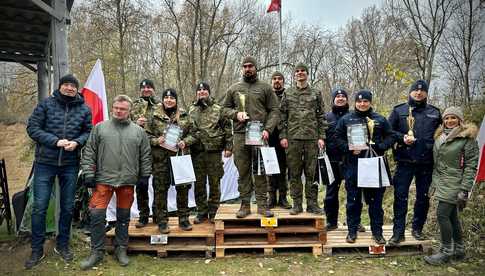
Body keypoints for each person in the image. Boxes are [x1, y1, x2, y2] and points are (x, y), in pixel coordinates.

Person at [25, 74, 92, 269]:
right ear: (60, 86)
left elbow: (88, 131)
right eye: (67, 85)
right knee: (40, 206)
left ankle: (62, 244)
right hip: (45, 163)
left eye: (73, 86)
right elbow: (32, 128)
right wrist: (55, 141)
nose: (70, 88)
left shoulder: (84, 109)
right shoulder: (46, 105)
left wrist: (77, 142)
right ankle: (36, 249)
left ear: (76, 89)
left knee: (68, 207)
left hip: (70, 165)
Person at [79, 95, 151, 269]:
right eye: (116, 108)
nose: (119, 111)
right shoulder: (100, 128)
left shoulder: (138, 131)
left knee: (124, 217)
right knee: (96, 215)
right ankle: (96, 252)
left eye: (123, 109)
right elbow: (89, 152)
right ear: (112, 108)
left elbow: (145, 156)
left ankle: (121, 249)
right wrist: (88, 173)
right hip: (104, 179)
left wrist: (144, 176)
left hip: (127, 181)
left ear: (129, 111)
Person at [223, 56, 280, 218]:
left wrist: (268, 129)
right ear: (242, 68)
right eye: (245, 66)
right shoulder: (234, 88)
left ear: (256, 68)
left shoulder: (265, 88)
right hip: (240, 135)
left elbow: (275, 111)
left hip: (259, 135)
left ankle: (262, 205)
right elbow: (224, 110)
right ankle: (245, 204)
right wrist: (236, 114)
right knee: (243, 171)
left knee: (260, 170)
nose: (248, 69)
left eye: (251, 66)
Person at [335, 90, 394, 244]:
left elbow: (391, 135)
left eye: (365, 101)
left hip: (374, 164)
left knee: (375, 201)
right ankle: (352, 231)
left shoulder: (379, 119)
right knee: (353, 200)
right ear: (355, 102)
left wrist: (381, 146)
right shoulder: (346, 119)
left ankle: (377, 233)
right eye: (359, 101)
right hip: (353, 165)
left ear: (370, 102)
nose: (362, 104)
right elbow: (337, 138)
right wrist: (348, 148)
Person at [388, 80, 442, 245]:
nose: (419, 93)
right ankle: (398, 233)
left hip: (426, 163)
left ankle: (417, 229)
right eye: (415, 91)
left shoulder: (435, 112)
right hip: (404, 161)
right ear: (410, 92)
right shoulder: (399, 111)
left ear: (426, 93)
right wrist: (402, 139)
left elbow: (442, 135)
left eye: (422, 91)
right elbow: (389, 132)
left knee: (423, 198)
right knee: (400, 197)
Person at [424, 107, 478, 265]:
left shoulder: (467, 139)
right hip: (441, 181)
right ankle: (459, 250)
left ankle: (446, 251)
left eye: (453, 118)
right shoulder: (440, 136)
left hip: (455, 182)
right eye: (446, 118)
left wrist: (464, 189)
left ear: (460, 120)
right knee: (452, 216)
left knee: (442, 214)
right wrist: (434, 183)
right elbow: (438, 163)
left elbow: (470, 166)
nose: (449, 121)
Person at [146, 88, 197, 233]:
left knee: (183, 189)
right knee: (160, 191)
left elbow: (195, 133)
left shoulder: (185, 115)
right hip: (160, 160)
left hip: (180, 158)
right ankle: (162, 221)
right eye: (166, 98)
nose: (169, 100)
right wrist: (157, 140)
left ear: (176, 100)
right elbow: (145, 135)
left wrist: (185, 142)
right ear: (162, 100)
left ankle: (184, 219)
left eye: (172, 98)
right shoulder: (154, 116)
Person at [279, 63, 327, 215]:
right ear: (294, 75)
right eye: (297, 71)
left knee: (311, 173)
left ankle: (312, 203)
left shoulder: (316, 93)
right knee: (294, 173)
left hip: (311, 139)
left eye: (303, 71)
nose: (300, 73)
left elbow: (321, 116)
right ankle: (297, 203)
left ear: (307, 73)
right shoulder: (288, 93)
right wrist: (283, 136)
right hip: (293, 139)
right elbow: (282, 116)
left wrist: (321, 136)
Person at [188, 81, 233, 224]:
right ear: (196, 93)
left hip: (213, 151)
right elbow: (188, 129)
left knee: (215, 182)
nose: (202, 92)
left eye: (204, 90)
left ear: (209, 92)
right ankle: (201, 211)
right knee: (199, 184)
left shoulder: (218, 109)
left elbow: (227, 128)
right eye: (199, 90)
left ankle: (214, 211)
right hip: (197, 152)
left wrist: (229, 147)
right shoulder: (191, 110)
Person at [130, 79, 159, 228]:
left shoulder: (160, 106)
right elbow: (124, 126)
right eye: (144, 87)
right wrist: (135, 124)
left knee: (159, 184)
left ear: (153, 89)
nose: (146, 89)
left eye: (149, 87)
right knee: (141, 184)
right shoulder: (133, 106)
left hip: (158, 150)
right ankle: (143, 215)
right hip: (139, 152)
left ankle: (157, 214)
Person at [323, 88, 349, 229]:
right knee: (331, 193)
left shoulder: (353, 116)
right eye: (337, 96)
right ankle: (331, 221)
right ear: (333, 99)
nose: (340, 98)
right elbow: (321, 136)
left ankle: (354, 223)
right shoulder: (327, 118)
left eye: (343, 96)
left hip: (350, 160)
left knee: (353, 192)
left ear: (347, 99)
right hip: (332, 160)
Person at [267, 71, 291, 209]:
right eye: (274, 78)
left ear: (283, 81)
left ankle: (283, 198)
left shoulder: (288, 96)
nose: (277, 81)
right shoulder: (267, 95)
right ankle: (271, 197)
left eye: (280, 79)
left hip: (284, 137)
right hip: (270, 136)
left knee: (283, 168)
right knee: (270, 168)